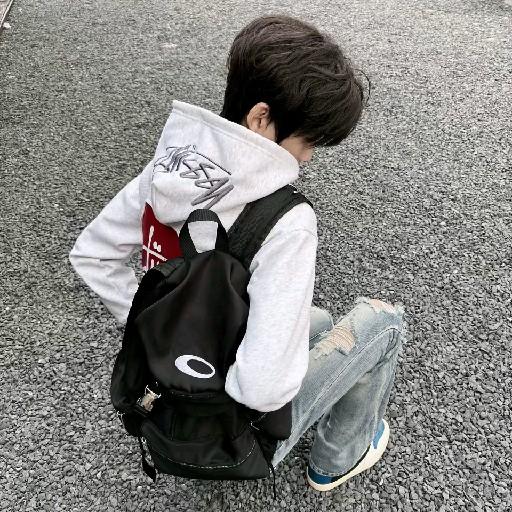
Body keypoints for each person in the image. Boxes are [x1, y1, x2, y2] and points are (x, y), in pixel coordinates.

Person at [69, 14, 405, 492]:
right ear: (261, 117)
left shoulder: (169, 166)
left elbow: (93, 255)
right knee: (383, 323)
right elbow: (263, 388)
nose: (308, 157)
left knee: (320, 322)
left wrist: (161, 332)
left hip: (163, 390)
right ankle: (338, 457)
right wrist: (228, 380)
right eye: (308, 141)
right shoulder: (286, 219)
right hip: (230, 435)